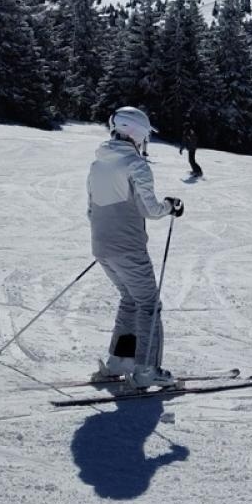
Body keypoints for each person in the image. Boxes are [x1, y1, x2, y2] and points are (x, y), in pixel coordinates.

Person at [88, 106, 184, 388]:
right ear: (138, 133)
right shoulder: (135, 164)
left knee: (130, 300)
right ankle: (146, 369)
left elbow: (91, 210)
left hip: (102, 246)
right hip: (128, 248)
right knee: (149, 305)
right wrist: (171, 206)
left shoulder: (97, 165)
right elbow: (151, 209)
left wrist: (108, 240)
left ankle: (118, 361)